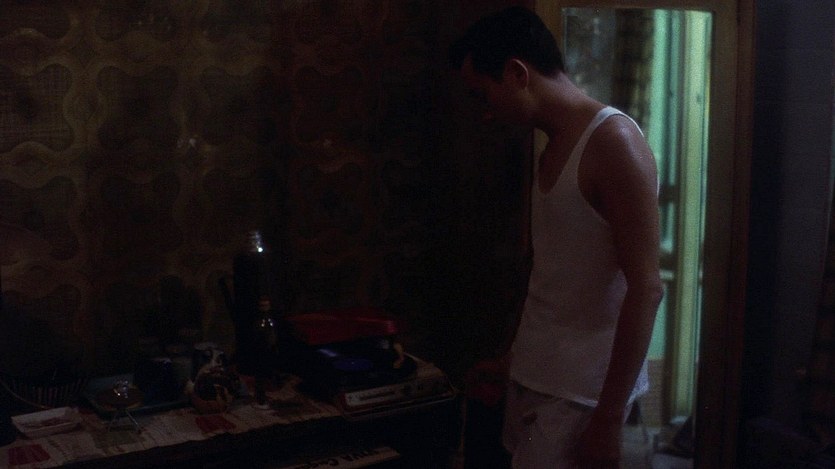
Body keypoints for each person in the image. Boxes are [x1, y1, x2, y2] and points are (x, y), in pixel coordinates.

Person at [451, 6, 664, 469]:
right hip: (537, 376)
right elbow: (556, 272)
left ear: (517, 73)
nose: (485, 113)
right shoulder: (549, 145)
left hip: (581, 395)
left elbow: (646, 288)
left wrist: (608, 419)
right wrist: (514, 359)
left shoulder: (613, 142)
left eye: (483, 94)